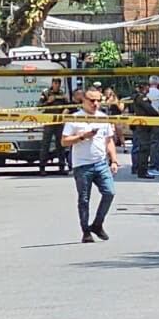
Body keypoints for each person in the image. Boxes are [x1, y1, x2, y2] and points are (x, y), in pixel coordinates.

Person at [62, 88, 118, 243]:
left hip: (101, 163)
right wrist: (82, 137)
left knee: (110, 192)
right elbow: (64, 141)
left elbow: (109, 141)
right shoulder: (74, 118)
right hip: (82, 165)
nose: (95, 104)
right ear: (84, 101)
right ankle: (86, 231)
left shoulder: (103, 118)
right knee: (84, 199)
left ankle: (97, 224)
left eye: (98, 100)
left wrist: (114, 160)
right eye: (92, 100)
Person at [128, 82, 159, 177]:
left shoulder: (136, 97)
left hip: (140, 124)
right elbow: (148, 108)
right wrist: (158, 115)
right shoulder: (141, 97)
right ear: (145, 87)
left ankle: (139, 168)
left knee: (141, 147)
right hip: (143, 125)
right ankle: (142, 170)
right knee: (144, 148)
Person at [38, 78, 66, 174]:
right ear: (52, 83)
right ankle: (42, 168)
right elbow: (39, 106)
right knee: (45, 145)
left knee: (61, 145)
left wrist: (66, 103)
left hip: (59, 123)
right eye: (55, 83)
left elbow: (67, 106)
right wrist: (48, 102)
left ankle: (62, 167)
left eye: (58, 83)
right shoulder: (46, 93)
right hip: (49, 122)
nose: (57, 85)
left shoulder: (62, 93)